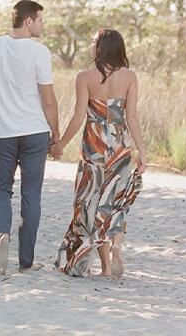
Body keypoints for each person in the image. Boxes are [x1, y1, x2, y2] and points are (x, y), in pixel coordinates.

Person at [0, 0, 61, 276]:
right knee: (31, 194)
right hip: (34, 133)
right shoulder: (39, 52)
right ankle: (26, 261)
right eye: (40, 20)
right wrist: (56, 134)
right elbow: (48, 100)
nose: (43, 25)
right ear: (28, 21)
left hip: (3, 134)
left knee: (1, 189)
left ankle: (3, 235)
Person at [54, 28, 145, 279]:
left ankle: (105, 268)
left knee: (94, 203)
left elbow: (77, 118)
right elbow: (132, 117)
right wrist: (142, 151)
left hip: (94, 146)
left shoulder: (85, 77)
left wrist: (60, 145)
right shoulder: (129, 76)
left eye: (94, 42)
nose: (91, 46)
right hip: (119, 144)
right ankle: (116, 247)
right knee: (116, 200)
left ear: (103, 47)